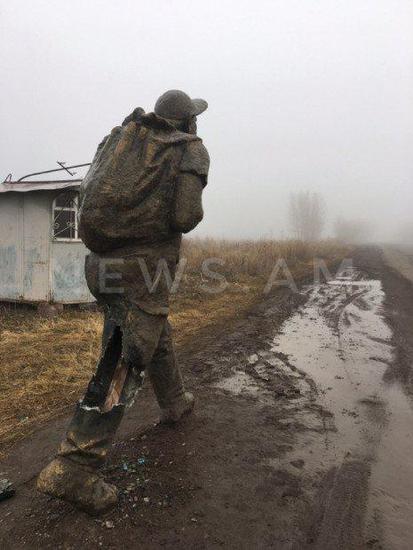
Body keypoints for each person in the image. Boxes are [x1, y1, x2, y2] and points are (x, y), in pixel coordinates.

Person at [37, 90, 210, 515]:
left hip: (100, 267)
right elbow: (186, 216)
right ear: (187, 121)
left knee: (151, 329)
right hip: (141, 270)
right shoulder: (190, 148)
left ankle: (175, 402)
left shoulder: (123, 138)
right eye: (195, 118)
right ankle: (74, 466)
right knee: (126, 357)